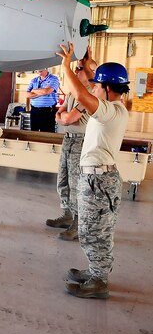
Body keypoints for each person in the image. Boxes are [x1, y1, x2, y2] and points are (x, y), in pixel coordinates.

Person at [57, 42, 129, 299]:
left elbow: (81, 96)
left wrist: (65, 66)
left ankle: (99, 280)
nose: (94, 89)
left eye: (98, 86)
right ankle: (96, 272)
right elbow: (84, 92)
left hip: (99, 180)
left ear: (108, 89)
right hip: (95, 178)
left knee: (94, 230)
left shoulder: (111, 110)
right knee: (93, 229)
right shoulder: (109, 111)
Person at [46, 53, 97, 241]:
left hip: (81, 141)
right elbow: (58, 115)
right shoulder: (71, 94)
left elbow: (67, 118)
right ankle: (67, 214)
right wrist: (63, 117)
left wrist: (64, 117)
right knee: (63, 179)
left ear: (90, 72)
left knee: (76, 183)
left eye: (80, 68)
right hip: (68, 139)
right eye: (76, 67)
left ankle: (77, 222)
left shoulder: (90, 94)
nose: (76, 70)